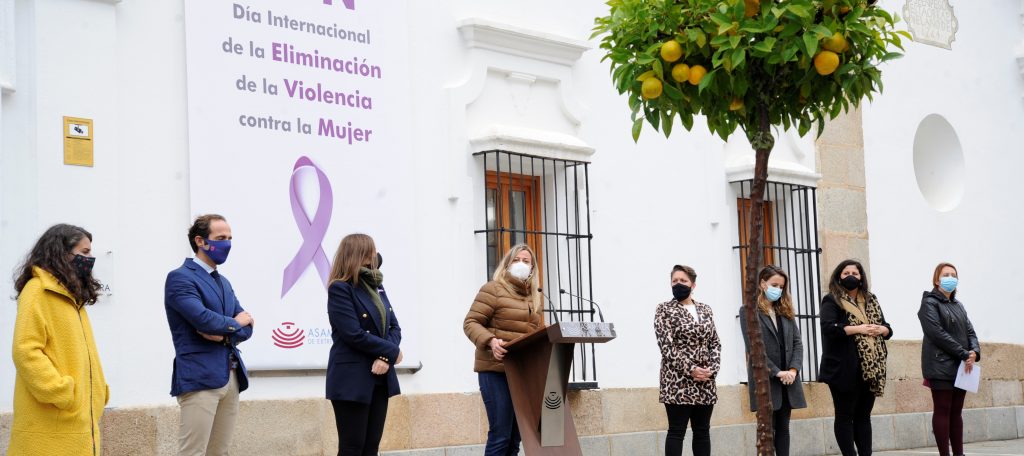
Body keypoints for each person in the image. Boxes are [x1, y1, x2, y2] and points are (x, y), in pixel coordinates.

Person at [9, 224, 109, 456]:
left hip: (79, 422)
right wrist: (60, 392)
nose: (90, 258)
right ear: (61, 253)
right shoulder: (37, 291)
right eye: (84, 252)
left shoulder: (72, 298)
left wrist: (98, 391)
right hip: (52, 420)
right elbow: (25, 350)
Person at [164, 214, 254, 456]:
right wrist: (235, 324)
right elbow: (203, 319)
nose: (227, 243)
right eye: (220, 238)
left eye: (230, 238)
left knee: (219, 452)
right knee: (192, 452)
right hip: (200, 377)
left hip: (230, 376)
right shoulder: (180, 277)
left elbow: (248, 326)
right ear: (200, 241)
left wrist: (225, 333)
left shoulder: (223, 281)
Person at [464, 244, 544, 456]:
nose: (521, 264)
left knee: (515, 439)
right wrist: (491, 341)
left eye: (526, 261)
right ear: (507, 264)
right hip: (495, 371)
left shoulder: (534, 298)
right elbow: (471, 322)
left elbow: (535, 335)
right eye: (517, 260)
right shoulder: (493, 289)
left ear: (533, 268)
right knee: (500, 436)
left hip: (521, 374)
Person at [325, 234, 402, 456]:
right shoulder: (340, 288)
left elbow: (394, 328)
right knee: (352, 448)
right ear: (358, 254)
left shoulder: (377, 286)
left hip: (380, 378)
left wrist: (386, 357)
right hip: (352, 378)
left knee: (371, 448)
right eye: (370, 250)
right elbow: (353, 334)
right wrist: (392, 351)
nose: (375, 255)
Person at [818, 259, 892, 456]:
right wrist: (859, 329)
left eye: (855, 273)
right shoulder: (832, 300)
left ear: (861, 278)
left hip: (870, 369)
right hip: (842, 369)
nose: (851, 276)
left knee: (863, 416)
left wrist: (881, 329)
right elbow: (828, 328)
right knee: (844, 416)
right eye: (846, 273)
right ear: (838, 277)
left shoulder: (871, 300)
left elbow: (887, 328)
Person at [739, 265, 807, 456]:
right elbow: (754, 349)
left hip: (788, 380)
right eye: (774, 284)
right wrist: (777, 372)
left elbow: (797, 343)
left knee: (784, 428)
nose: (778, 289)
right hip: (765, 380)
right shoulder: (748, 311)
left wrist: (793, 370)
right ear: (762, 283)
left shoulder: (785, 311)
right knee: (767, 430)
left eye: (781, 286)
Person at [654, 265, 721, 456]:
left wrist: (712, 370)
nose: (678, 284)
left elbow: (715, 342)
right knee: (676, 431)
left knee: (702, 432)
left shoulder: (705, 309)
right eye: (674, 281)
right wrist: (691, 369)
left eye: (683, 281)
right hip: (677, 380)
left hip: (705, 380)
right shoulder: (664, 309)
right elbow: (666, 346)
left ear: (693, 285)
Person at [918, 262, 980, 456]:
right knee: (943, 410)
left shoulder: (958, 305)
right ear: (937, 280)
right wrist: (964, 353)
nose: (950, 278)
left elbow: (970, 331)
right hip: (940, 365)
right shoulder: (929, 303)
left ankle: (959, 454)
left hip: (962, 366)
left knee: (956, 412)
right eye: (946, 274)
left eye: (954, 274)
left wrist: (974, 352)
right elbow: (936, 333)